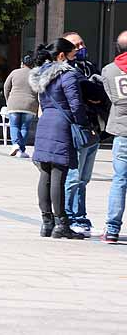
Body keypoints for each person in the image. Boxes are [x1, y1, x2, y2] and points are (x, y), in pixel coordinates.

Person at [28, 39, 90, 240]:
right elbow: (76, 105)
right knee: (58, 176)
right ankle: (61, 223)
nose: (75, 57)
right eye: (72, 54)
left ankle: (47, 223)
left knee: (45, 173)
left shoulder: (41, 75)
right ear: (61, 56)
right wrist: (83, 124)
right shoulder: (67, 75)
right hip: (61, 126)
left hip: (45, 124)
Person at [62, 31, 108, 236]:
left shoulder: (89, 67)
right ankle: (70, 217)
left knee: (84, 178)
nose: (80, 48)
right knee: (74, 176)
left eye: (82, 43)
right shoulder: (64, 70)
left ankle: (80, 216)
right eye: (76, 45)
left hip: (93, 128)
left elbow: (100, 94)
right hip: (76, 129)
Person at [100, 31, 127, 243]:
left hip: (122, 130)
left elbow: (110, 97)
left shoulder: (109, 71)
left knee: (119, 180)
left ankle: (112, 229)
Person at [4, 54, 39, 158]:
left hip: (14, 103)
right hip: (30, 104)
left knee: (14, 125)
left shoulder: (14, 73)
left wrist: (8, 100)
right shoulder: (36, 75)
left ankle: (15, 144)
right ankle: (21, 150)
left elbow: (6, 87)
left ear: (22, 63)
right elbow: (39, 90)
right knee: (24, 127)